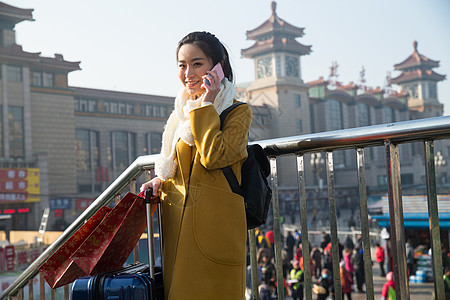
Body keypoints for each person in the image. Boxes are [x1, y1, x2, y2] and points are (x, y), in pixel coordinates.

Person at [140, 31, 252, 299]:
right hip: (178, 226)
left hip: (213, 228)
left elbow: (214, 157)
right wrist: (159, 181)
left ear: (218, 66)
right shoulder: (181, 115)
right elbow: (178, 166)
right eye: (182, 65)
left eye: (197, 63)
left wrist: (207, 105)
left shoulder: (237, 112)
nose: (187, 72)